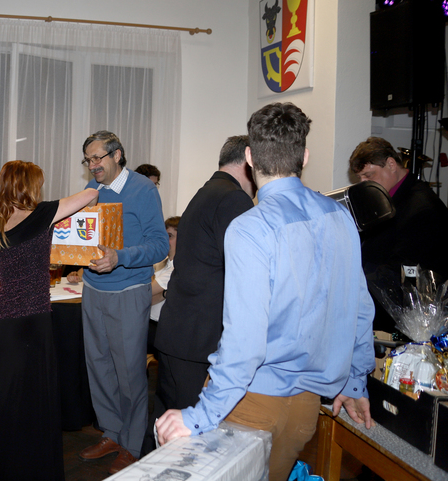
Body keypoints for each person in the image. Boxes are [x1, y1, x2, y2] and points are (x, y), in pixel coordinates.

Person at [156, 103, 376, 481]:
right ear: (304, 156)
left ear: (249, 158)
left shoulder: (250, 227)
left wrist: (199, 416)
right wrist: (356, 381)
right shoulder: (339, 215)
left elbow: (245, 341)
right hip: (306, 407)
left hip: (250, 402)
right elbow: (359, 308)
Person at [0, 160, 98, 481]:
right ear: (29, 185)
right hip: (33, 322)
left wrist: (13, 286)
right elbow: (90, 195)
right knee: (35, 401)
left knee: (2, 401)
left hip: (4, 323)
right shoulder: (42, 214)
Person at [145, 135, 256, 455]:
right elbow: (244, 273)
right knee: (192, 442)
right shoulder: (234, 199)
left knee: (165, 428)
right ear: (248, 161)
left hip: (178, 333)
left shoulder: (206, 191)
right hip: (200, 340)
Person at [77, 131, 169, 474]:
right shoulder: (92, 189)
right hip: (93, 289)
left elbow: (159, 245)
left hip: (128, 291)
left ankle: (131, 444)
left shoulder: (143, 189)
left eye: (97, 158)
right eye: (88, 160)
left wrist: (120, 257)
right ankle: (112, 433)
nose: (92, 165)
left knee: (129, 373)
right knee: (99, 367)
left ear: (117, 155)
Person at [349, 137, 448, 332]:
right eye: (360, 178)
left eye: (369, 175)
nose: (363, 183)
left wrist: (353, 282)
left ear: (391, 164)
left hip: (406, 317)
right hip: (382, 303)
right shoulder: (389, 197)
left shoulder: (423, 208)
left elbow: (405, 272)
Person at [147, 216, 180, 354]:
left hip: (160, 329)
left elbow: (144, 293)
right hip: (148, 321)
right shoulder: (161, 264)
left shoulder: (177, 269)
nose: (165, 240)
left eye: (170, 236)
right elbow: (146, 299)